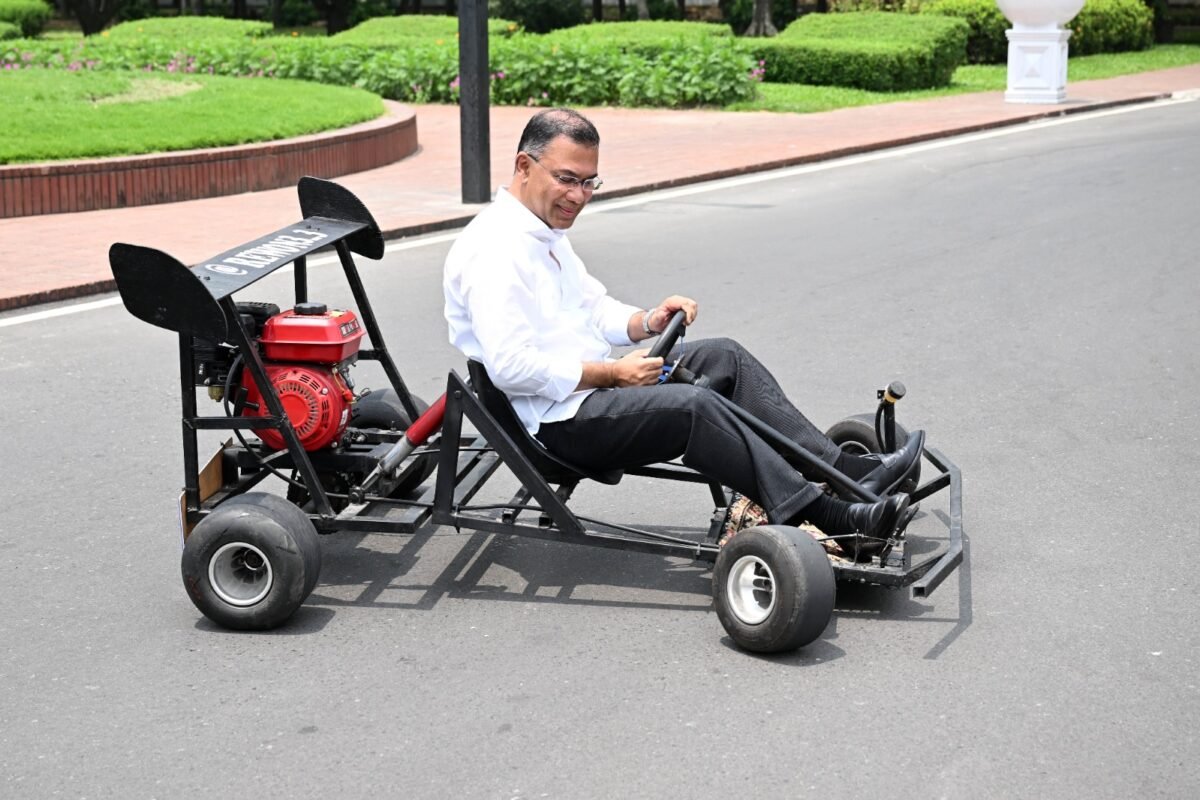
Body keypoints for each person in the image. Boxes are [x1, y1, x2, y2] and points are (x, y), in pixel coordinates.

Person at [443, 108, 923, 547]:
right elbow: (510, 367)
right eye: (567, 179)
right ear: (524, 167)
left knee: (723, 358)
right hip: (556, 425)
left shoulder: (543, 232)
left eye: (590, 182)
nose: (578, 196)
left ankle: (848, 472)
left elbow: (591, 310)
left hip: (589, 393)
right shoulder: (495, 252)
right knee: (693, 406)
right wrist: (612, 375)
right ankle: (831, 514)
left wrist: (648, 320)